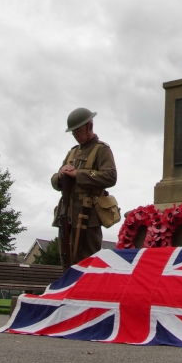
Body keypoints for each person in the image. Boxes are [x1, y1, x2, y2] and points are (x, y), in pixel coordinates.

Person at [51, 108, 118, 264]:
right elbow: (54, 181)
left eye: (79, 131)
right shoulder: (72, 153)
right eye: (73, 133)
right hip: (67, 215)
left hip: (89, 216)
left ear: (90, 126)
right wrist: (61, 175)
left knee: (87, 262)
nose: (76, 136)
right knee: (66, 261)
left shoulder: (102, 150)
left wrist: (78, 174)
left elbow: (110, 176)